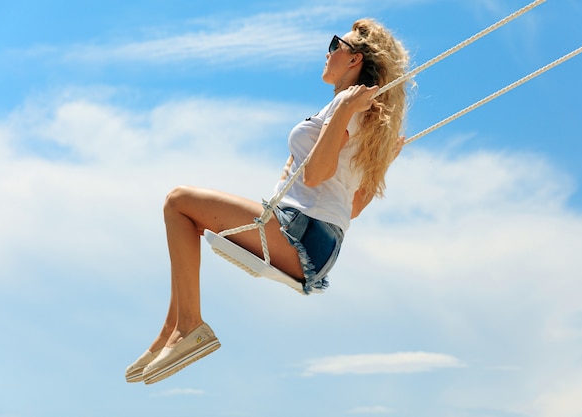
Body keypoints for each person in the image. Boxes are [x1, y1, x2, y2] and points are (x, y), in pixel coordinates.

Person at [125, 18, 410, 384]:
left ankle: (189, 325)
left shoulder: (347, 105)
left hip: (301, 234)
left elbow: (313, 176)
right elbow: (350, 208)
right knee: (188, 216)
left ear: (354, 59)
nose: (327, 52)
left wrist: (340, 111)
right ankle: (173, 328)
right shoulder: (366, 120)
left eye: (335, 44)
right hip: (321, 250)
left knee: (177, 202)